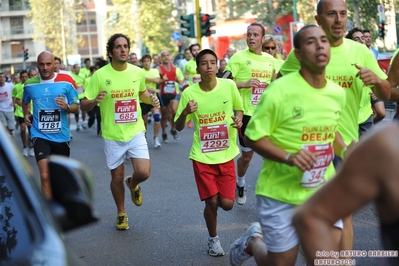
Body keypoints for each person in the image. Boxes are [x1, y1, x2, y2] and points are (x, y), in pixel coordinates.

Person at [229, 25, 347, 266]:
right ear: (298, 54)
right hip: (279, 193)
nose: (320, 46)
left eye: (323, 41)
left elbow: (332, 132)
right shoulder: (279, 91)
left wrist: (350, 155)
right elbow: (252, 137)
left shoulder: (336, 93)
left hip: (321, 190)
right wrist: (289, 157)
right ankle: (252, 243)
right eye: (311, 42)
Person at [278, 0, 391, 253]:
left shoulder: (360, 51)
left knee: (344, 214)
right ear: (318, 20)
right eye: (331, 14)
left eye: (342, 14)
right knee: (310, 213)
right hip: (309, 144)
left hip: (344, 146)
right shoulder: (305, 51)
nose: (339, 20)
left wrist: (375, 80)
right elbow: (279, 87)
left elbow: (385, 93)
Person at [80, 33, 160, 231]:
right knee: (116, 176)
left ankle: (132, 184)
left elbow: (141, 93)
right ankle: (121, 213)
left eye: (126, 46)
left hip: (134, 130)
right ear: (110, 52)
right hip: (112, 134)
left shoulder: (137, 72)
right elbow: (83, 105)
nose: (123, 50)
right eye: (118, 46)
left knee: (144, 172)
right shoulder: (99, 76)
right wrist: (94, 101)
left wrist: (151, 99)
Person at [292, 123, 399, 266]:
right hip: (339, 149)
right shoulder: (389, 145)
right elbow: (312, 216)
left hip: (348, 144)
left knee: (345, 217)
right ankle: (255, 241)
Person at [175, 49, 244, 257]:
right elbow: (178, 126)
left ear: (217, 66)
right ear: (197, 69)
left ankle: (223, 205)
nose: (209, 67)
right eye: (204, 64)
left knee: (228, 204)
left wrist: (239, 119)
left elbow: (239, 109)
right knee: (212, 202)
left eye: (212, 63)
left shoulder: (229, 85)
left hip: (226, 154)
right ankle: (214, 240)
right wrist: (186, 112)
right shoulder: (189, 93)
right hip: (202, 156)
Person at [224, 22, 278, 206]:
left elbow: (277, 84)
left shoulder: (271, 61)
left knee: (273, 153)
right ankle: (240, 182)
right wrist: (244, 84)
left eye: (255, 35)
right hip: (246, 114)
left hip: (267, 114)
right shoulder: (238, 58)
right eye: (249, 34)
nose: (252, 38)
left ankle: (273, 193)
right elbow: (223, 82)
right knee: (247, 156)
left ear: (263, 38)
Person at [22, 51, 79, 199]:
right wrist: (26, 114)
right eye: (41, 64)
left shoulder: (66, 81)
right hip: (39, 135)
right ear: (37, 65)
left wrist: (66, 106)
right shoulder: (29, 84)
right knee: (45, 175)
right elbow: (25, 100)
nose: (45, 67)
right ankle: (49, 214)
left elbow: (76, 106)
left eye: (48, 64)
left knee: (60, 178)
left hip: (61, 136)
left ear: (55, 64)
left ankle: (62, 204)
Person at [158, 50, 184, 143]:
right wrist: (161, 79)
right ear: (161, 58)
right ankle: (164, 134)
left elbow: (181, 81)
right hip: (163, 94)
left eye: (167, 55)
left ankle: (173, 129)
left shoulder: (175, 68)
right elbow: (156, 81)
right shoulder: (159, 69)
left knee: (174, 111)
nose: (166, 57)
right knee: (164, 115)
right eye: (163, 55)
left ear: (169, 56)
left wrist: (178, 80)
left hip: (173, 93)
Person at [141, 54, 162, 147]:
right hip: (143, 99)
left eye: (148, 61)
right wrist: (153, 89)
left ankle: (156, 138)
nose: (146, 63)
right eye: (144, 61)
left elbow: (157, 81)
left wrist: (145, 78)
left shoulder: (155, 70)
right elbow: (141, 86)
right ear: (142, 63)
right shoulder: (140, 71)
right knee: (144, 122)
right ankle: (144, 138)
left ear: (150, 62)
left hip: (153, 99)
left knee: (157, 117)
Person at [12, 70, 34, 156]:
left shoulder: (31, 86)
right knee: (23, 129)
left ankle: (31, 147)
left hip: (32, 112)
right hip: (21, 112)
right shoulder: (18, 87)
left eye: (26, 76)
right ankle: (25, 147)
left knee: (31, 131)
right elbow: (16, 98)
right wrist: (23, 105)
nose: (24, 78)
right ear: (20, 78)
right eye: (23, 77)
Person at [71, 63, 87, 131]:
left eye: (79, 67)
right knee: (76, 110)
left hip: (82, 95)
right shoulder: (71, 75)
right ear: (74, 69)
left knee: (84, 110)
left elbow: (85, 84)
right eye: (76, 68)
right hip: (75, 96)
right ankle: (77, 124)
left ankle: (83, 122)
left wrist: (84, 88)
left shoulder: (83, 75)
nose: (78, 69)